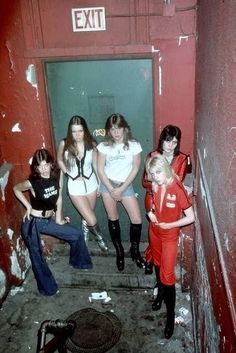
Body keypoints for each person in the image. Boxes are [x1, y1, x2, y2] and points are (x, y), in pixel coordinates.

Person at [13, 148, 92, 296]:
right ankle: (48, 289)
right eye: (39, 166)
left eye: (45, 164)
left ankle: (79, 262)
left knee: (76, 234)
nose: (43, 169)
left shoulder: (57, 175)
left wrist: (59, 219)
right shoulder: (33, 182)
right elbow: (16, 188)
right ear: (35, 167)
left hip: (48, 220)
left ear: (50, 164)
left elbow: (59, 197)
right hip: (33, 223)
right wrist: (28, 206)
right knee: (37, 257)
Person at [145, 154, 195, 338]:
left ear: (165, 168)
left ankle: (170, 316)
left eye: (158, 172)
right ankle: (159, 295)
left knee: (168, 276)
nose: (156, 176)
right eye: (152, 173)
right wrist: (151, 212)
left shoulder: (177, 187)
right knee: (157, 263)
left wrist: (171, 225)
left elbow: (191, 217)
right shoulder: (155, 183)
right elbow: (151, 202)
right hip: (154, 230)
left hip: (169, 235)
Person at [97, 113, 145, 271]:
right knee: (113, 217)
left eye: (118, 128)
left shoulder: (134, 145)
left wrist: (122, 188)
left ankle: (135, 250)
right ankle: (119, 252)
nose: (115, 132)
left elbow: (136, 168)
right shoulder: (104, 146)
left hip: (125, 185)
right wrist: (111, 189)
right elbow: (100, 169)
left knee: (137, 219)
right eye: (112, 129)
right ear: (108, 131)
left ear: (125, 128)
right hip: (107, 184)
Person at [142, 125, 191, 274]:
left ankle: (160, 265)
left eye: (175, 142)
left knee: (166, 231)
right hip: (154, 197)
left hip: (173, 200)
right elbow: (144, 181)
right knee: (156, 228)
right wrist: (156, 184)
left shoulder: (183, 158)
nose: (170, 146)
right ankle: (150, 258)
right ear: (162, 140)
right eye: (168, 141)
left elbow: (185, 180)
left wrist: (186, 187)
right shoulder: (152, 155)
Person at [57, 115, 108, 252]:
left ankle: (85, 236)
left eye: (80, 131)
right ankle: (100, 238)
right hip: (74, 186)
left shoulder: (91, 144)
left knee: (87, 216)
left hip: (91, 183)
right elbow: (59, 160)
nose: (77, 135)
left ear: (84, 130)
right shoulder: (64, 143)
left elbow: (96, 166)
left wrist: (99, 183)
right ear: (70, 131)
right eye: (74, 131)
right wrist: (68, 173)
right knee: (91, 218)